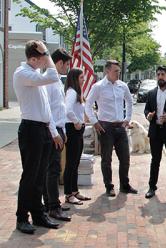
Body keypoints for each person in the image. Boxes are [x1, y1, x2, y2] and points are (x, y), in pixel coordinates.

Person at [13, 40, 60, 234]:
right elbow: (54, 75)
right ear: (33, 58)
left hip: (42, 129)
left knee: (39, 176)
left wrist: (52, 130)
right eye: (42, 59)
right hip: (31, 130)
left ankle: (38, 214)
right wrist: (47, 52)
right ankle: (21, 218)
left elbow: (45, 108)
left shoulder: (35, 75)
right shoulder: (22, 73)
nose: (45, 62)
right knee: (30, 176)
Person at [85, 60, 136, 196]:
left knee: (125, 158)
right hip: (105, 127)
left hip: (120, 127)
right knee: (106, 159)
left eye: (119, 71)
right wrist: (95, 122)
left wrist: (127, 119)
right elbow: (88, 104)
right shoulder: (98, 86)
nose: (118, 74)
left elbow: (130, 102)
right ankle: (109, 186)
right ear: (107, 71)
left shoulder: (122, 86)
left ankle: (125, 185)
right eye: (115, 71)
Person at [42, 48, 72, 221]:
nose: (68, 67)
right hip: (52, 131)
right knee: (52, 170)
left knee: (52, 169)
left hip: (59, 129)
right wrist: (55, 133)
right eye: (66, 64)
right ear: (59, 63)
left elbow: (60, 110)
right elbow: (47, 111)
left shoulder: (57, 81)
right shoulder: (48, 82)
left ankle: (51, 203)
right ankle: (53, 207)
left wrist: (64, 131)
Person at [144, 65, 166, 200]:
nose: (160, 77)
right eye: (158, 74)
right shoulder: (152, 92)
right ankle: (151, 187)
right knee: (155, 160)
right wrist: (149, 115)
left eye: (163, 74)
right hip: (155, 131)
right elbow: (146, 109)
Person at [64, 68, 91, 205]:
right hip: (73, 130)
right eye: (81, 78)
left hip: (78, 130)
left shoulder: (77, 92)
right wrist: (76, 121)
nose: (84, 80)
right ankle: (68, 194)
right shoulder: (72, 92)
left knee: (75, 163)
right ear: (75, 79)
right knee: (71, 163)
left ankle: (74, 191)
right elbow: (67, 110)